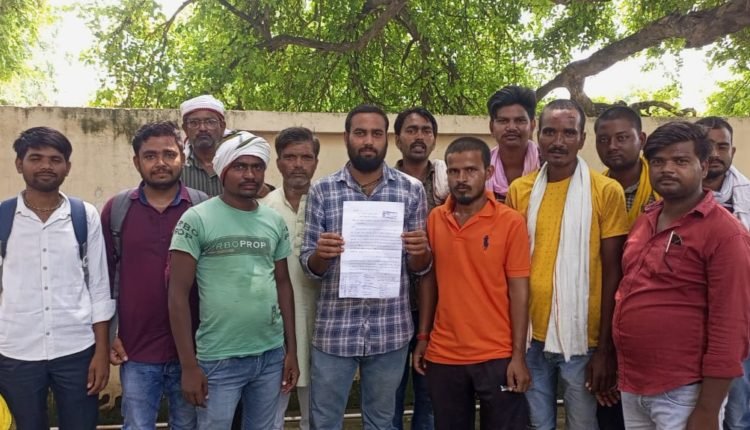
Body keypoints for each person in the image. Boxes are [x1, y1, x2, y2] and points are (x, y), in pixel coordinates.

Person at [300, 104, 431, 429]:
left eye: (376, 133)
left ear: (386, 139)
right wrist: (321, 255)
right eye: (360, 133)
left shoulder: (411, 190)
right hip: (335, 330)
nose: (368, 141)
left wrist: (421, 252)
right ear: (347, 137)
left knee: (381, 422)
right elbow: (309, 266)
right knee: (324, 422)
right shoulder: (322, 190)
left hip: (390, 330)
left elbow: (420, 268)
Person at [613, 121, 750, 430]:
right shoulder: (647, 219)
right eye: (658, 161)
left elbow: (731, 327)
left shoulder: (725, 234)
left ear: (704, 166)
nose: (667, 169)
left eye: (680, 161)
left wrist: (707, 409)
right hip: (635, 385)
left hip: (685, 393)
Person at [506, 99, 629, 430]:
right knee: (538, 425)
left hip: (584, 339)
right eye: (549, 132)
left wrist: (606, 349)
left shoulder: (606, 191)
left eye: (568, 133)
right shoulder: (520, 190)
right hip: (530, 336)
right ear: (538, 135)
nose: (558, 142)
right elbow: (511, 267)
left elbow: (614, 272)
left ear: (582, 139)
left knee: (583, 425)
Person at [168, 131, 299, 429]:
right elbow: (177, 295)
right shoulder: (196, 219)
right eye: (240, 166)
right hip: (218, 359)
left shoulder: (273, 220)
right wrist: (189, 366)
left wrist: (290, 351)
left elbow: (283, 284)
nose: (250, 175)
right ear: (223, 170)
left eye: (257, 167)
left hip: (270, 356)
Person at [0, 127, 115, 429]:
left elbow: (99, 287)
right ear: (19, 164)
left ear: (67, 167)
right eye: (35, 158)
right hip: (15, 352)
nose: (46, 166)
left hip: (76, 350)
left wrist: (101, 352)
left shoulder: (83, 215)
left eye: (55, 159)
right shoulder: (3, 218)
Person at [413, 136, 531, 429]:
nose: (461, 179)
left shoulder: (511, 221)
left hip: (497, 354)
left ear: (488, 172)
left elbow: (519, 291)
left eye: (470, 170)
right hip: (444, 354)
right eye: (454, 171)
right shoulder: (435, 219)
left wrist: (518, 356)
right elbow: (429, 281)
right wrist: (423, 337)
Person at [101, 121, 204, 429]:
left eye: (169, 154)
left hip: (194, 349)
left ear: (183, 158)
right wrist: (110, 334)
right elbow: (104, 277)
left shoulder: (202, 208)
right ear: (137, 161)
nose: (160, 162)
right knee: (137, 425)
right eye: (150, 156)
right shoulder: (118, 210)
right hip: (136, 349)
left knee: (187, 425)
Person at [261, 127, 320, 430]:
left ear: (316, 162)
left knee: (318, 414)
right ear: (279, 163)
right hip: (276, 326)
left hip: (322, 323)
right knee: (271, 413)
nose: (298, 164)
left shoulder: (328, 204)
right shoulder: (262, 209)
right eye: (290, 157)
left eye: (306, 157)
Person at [392, 106, 445, 430]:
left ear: (434, 138)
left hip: (440, 309)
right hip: (393, 309)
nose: (419, 136)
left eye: (426, 130)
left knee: (431, 398)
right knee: (389, 397)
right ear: (397, 139)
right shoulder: (382, 184)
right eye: (411, 130)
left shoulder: (449, 185)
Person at [695, 116, 750, 430]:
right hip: (690, 320)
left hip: (738, 320)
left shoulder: (747, 196)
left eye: (723, 146)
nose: (715, 153)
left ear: (733, 151)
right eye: (708, 145)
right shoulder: (670, 197)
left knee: (738, 413)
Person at [180, 95, 275, 197]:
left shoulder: (238, 159)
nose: (202, 128)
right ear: (185, 128)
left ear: (222, 126)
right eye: (194, 123)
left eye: (210, 122)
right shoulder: (178, 167)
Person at [595, 106, 658, 228]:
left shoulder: (661, 188)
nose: (612, 146)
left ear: (641, 140)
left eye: (621, 138)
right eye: (603, 139)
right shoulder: (593, 190)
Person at [485, 85, 540, 202]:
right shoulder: (481, 168)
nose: (511, 128)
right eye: (503, 121)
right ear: (491, 127)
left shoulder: (547, 165)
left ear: (532, 125)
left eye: (520, 120)